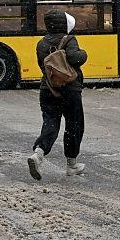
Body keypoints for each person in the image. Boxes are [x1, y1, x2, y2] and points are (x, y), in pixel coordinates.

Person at [27, 10, 88, 180]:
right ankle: (72, 165)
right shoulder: (69, 40)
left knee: (50, 123)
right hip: (70, 90)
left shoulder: (41, 43)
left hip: (48, 89)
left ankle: (39, 153)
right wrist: (84, 54)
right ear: (63, 24)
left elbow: (43, 66)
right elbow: (75, 58)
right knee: (74, 125)